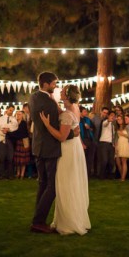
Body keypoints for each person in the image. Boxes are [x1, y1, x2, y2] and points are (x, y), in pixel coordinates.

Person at [39, 84, 90, 235]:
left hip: (67, 150)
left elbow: (62, 137)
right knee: (71, 182)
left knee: (65, 183)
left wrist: (48, 125)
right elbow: (63, 113)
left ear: (67, 95)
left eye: (61, 91)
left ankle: (67, 222)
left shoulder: (68, 114)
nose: (59, 91)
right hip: (74, 148)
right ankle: (74, 218)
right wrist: (54, 100)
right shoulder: (74, 107)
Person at [29, 72, 64, 234]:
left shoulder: (34, 97)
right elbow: (55, 127)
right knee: (52, 186)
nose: (55, 86)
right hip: (49, 148)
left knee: (42, 183)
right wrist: (72, 134)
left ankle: (37, 218)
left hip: (38, 147)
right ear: (45, 83)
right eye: (54, 83)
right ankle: (38, 221)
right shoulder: (49, 104)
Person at [0, 105, 19, 179]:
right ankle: (2, 174)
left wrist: (8, 130)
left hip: (10, 140)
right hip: (2, 139)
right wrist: (4, 133)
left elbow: (16, 128)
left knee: (10, 158)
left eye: (12, 110)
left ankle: (10, 174)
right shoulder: (1, 119)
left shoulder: (14, 119)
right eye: (10, 110)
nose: (11, 112)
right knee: (1, 157)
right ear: (7, 109)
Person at [10, 110, 31, 179]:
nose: (18, 115)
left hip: (23, 142)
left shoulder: (23, 123)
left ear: (22, 115)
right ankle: (18, 173)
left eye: (19, 114)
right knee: (17, 159)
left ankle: (22, 174)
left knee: (23, 159)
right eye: (17, 114)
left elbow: (19, 133)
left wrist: (9, 133)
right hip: (18, 142)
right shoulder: (15, 123)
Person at [97, 110, 116, 179]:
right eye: (111, 115)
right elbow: (106, 124)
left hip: (111, 144)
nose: (112, 117)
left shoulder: (114, 125)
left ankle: (109, 175)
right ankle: (101, 175)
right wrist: (109, 120)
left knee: (111, 161)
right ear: (108, 116)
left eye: (114, 116)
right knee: (104, 160)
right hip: (104, 143)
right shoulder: (105, 122)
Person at [114, 113, 129, 182]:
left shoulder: (127, 127)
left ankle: (123, 178)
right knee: (118, 161)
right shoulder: (117, 128)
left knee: (124, 161)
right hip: (119, 144)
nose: (119, 120)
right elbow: (116, 138)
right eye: (117, 119)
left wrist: (123, 134)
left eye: (120, 119)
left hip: (125, 143)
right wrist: (116, 146)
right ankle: (122, 175)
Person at [79, 106, 96, 178]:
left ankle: (88, 175)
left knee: (90, 159)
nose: (86, 113)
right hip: (83, 140)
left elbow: (93, 129)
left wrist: (89, 128)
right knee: (83, 159)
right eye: (85, 111)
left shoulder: (88, 120)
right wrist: (82, 143)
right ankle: (82, 175)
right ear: (80, 112)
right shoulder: (77, 120)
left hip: (90, 140)